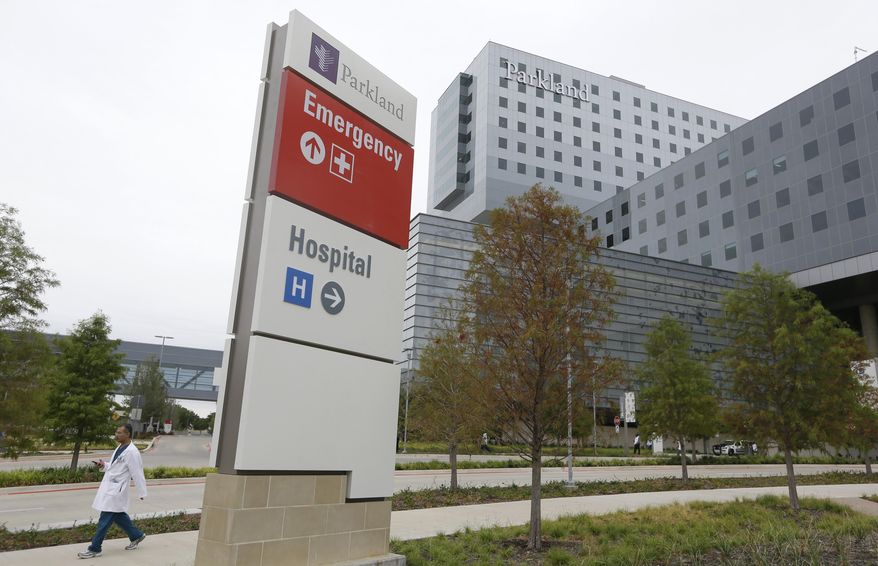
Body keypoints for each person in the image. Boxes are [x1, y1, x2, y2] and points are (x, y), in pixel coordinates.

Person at [78, 424, 148, 559]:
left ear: (128, 435)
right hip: (111, 488)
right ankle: (137, 535)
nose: (116, 435)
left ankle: (95, 548)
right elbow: (115, 466)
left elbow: (137, 473)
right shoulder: (120, 447)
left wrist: (142, 492)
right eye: (116, 432)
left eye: (119, 433)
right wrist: (104, 465)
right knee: (119, 516)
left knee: (104, 520)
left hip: (117, 491)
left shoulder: (132, 452)